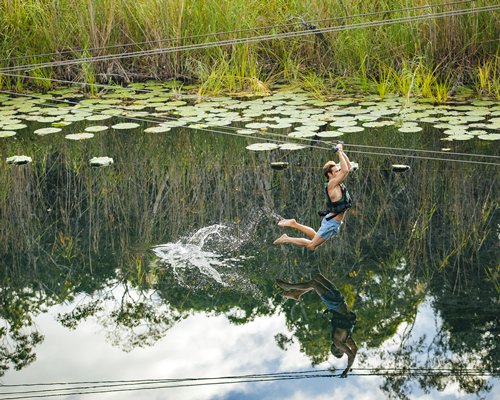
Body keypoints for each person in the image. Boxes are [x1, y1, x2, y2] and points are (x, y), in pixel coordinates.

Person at [273, 143, 352, 251]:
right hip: (332, 222)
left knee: (314, 239)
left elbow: (348, 167)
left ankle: (294, 224)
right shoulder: (332, 184)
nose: (339, 172)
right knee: (311, 245)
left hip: (332, 221)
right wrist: (338, 152)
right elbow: (345, 170)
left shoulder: (337, 182)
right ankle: (286, 238)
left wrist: (341, 151)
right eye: (336, 171)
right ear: (330, 175)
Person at [276, 274, 358, 377]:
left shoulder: (337, 342)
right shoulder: (347, 338)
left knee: (314, 284)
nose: (345, 350)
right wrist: (349, 367)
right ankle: (296, 294)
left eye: (342, 351)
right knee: (318, 278)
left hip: (334, 304)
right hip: (339, 300)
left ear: (337, 349)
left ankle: (289, 286)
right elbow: (354, 350)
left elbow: (350, 355)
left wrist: (347, 370)